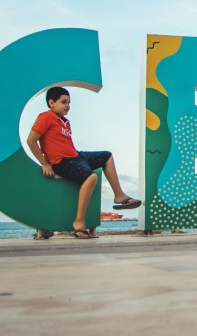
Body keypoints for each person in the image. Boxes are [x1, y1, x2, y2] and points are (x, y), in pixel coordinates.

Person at [26, 86, 141, 239]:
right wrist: (45, 164)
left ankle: (119, 195)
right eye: (63, 102)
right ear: (51, 103)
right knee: (91, 177)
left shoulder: (65, 122)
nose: (68, 105)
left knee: (107, 156)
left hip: (76, 156)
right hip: (61, 161)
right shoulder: (46, 117)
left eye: (69, 102)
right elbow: (31, 140)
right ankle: (79, 222)